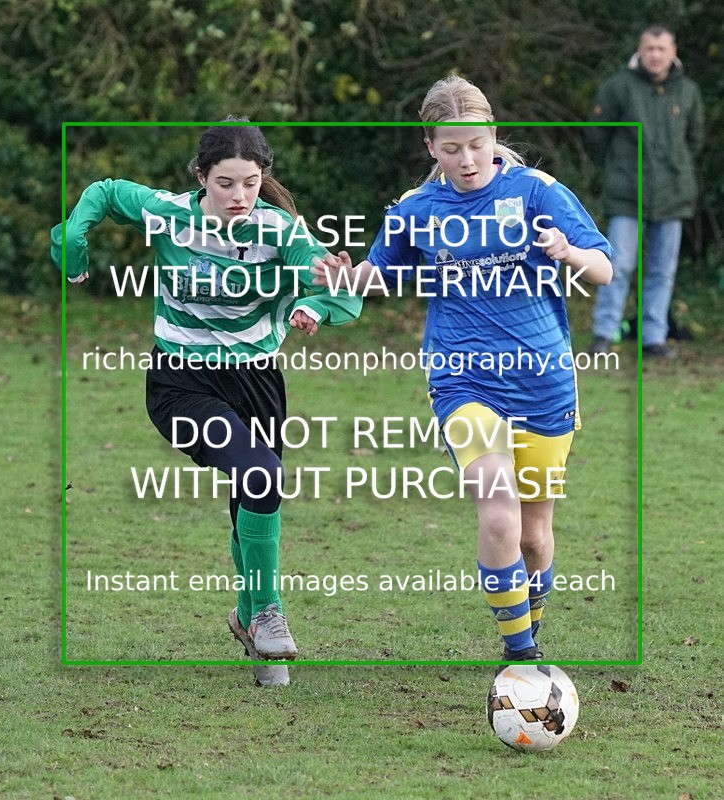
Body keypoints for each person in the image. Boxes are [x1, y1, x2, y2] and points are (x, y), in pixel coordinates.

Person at [313, 75, 612, 664]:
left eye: (476, 144)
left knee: (532, 534)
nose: (466, 159)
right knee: (496, 507)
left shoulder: (538, 192)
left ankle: (531, 630)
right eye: (451, 148)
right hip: (463, 379)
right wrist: (346, 277)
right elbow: (381, 272)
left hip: (544, 382)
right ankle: (520, 660)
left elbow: (602, 269)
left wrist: (567, 253)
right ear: (431, 147)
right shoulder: (417, 209)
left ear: (493, 135)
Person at [51, 121, 362, 686]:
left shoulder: (281, 230)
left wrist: (319, 302)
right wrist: (72, 241)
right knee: (262, 473)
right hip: (181, 383)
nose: (239, 196)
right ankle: (268, 614)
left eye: (250, 182)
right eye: (225, 183)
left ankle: (249, 620)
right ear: (201, 178)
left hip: (257, 381)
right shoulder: (170, 214)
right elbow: (103, 191)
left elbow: (338, 292)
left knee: (252, 491)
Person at [587, 24, 704, 359]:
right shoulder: (618, 87)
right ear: (640, 51)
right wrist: (619, 170)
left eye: (661, 49)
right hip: (627, 195)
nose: (655, 55)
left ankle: (654, 337)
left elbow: (694, 140)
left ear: (673, 53)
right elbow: (596, 136)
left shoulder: (689, 92)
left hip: (673, 196)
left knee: (662, 271)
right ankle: (603, 335)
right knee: (618, 265)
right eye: (649, 48)